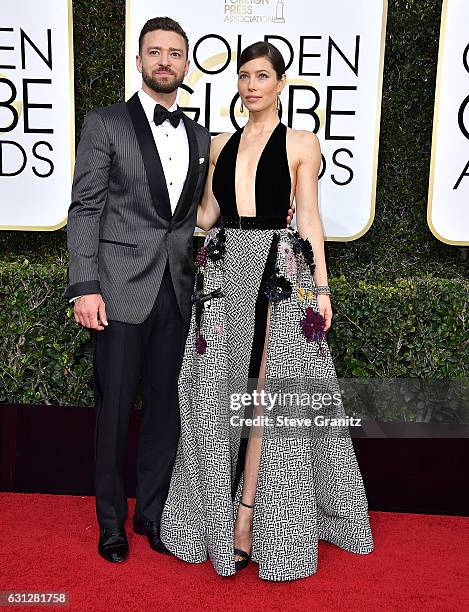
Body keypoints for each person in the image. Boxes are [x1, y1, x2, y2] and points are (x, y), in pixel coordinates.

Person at [160, 41, 374, 581]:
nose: (251, 85)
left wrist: (321, 289)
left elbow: (309, 222)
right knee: (217, 395)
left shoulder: (302, 142)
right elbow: (209, 212)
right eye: (244, 76)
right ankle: (213, 510)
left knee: (265, 397)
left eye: (262, 76)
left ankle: (246, 518)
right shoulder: (222, 142)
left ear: (281, 82)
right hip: (228, 272)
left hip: (279, 275)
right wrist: (161, 240)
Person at [64, 17, 211, 563]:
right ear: (140, 60)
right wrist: (86, 285)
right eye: (156, 52)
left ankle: (151, 514)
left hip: (178, 290)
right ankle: (110, 523)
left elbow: (195, 214)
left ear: (186, 63)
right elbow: (86, 208)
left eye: (176, 53)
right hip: (118, 292)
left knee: (166, 412)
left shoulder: (199, 136)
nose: (166, 61)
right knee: (116, 409)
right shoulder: (105, 124)